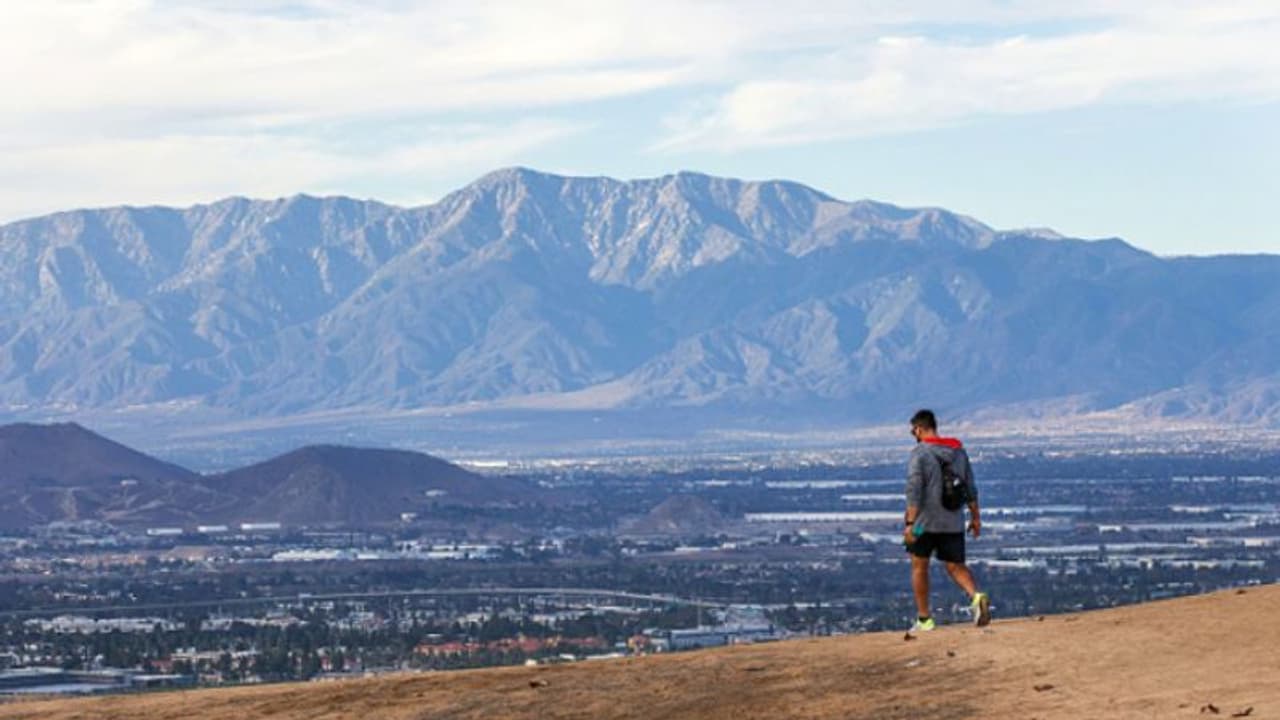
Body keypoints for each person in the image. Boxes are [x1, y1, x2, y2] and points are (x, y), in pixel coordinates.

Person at [903, 409, 990, 630]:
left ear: (919, 429)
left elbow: (914, 490)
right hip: (953, 521)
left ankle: (924, 619)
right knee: (955, 566)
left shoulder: (919, 454)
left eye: (913, 431)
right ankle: (976, 596)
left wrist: (911, 524)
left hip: (923, 524)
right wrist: (976, 517)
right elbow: (970, 487)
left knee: (919, 566)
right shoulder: (958, 452)